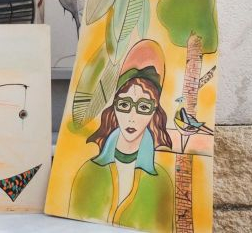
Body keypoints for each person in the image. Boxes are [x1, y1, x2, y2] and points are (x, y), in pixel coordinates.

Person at [68, 39, 175, 232]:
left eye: (143, 107)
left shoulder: (161, 180)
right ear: (114, 109)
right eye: (124, 105)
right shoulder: (89, 171)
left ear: (155, 113)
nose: (132, 117)